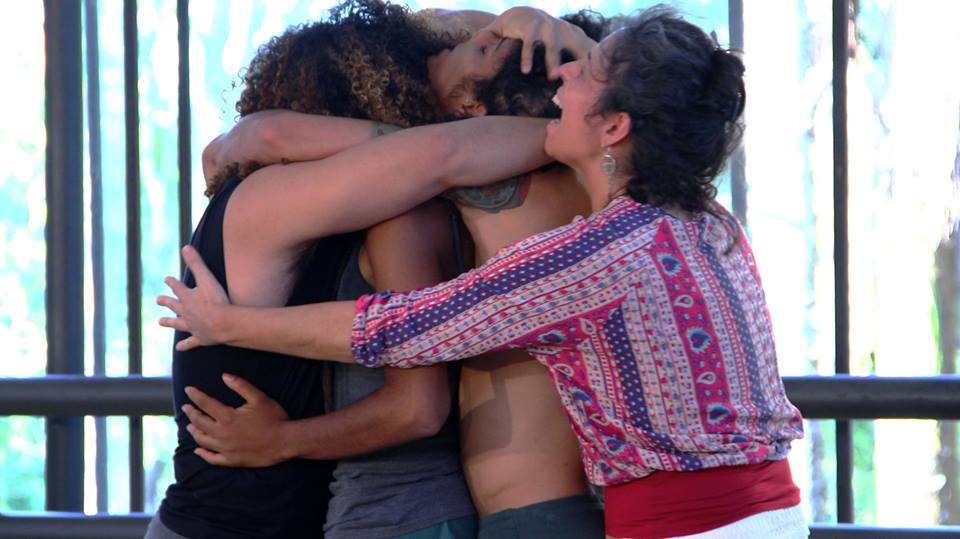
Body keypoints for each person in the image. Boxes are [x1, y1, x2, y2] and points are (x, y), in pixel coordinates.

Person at [160, 6, 809, 539]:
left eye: (586, 71)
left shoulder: (589, 254)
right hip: (761, 511)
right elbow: (657, 109)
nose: (568, 72)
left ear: (614, 124)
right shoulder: (706, 220)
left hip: (664, 524)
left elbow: (405, 326)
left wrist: (231, 324)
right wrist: (542, 27)